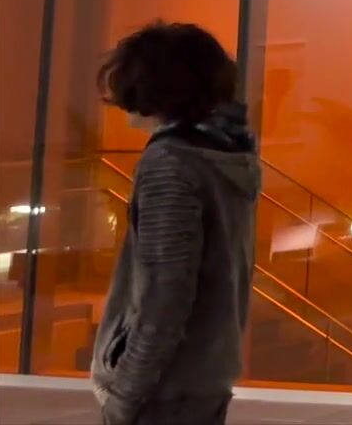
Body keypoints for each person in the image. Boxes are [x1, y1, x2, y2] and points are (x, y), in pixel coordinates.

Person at [90, 22, 261, 425]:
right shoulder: (227, 157)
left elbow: (165, 295)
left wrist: (125, 396)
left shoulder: (170, 163)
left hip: (161, 392)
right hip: (205, 378)